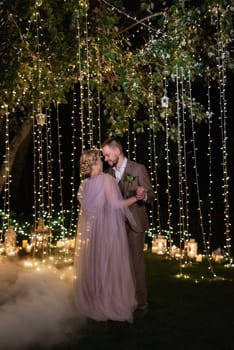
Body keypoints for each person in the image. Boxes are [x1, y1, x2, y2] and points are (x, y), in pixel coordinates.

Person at [73, 148, 139, 322]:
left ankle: (95, 301)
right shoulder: (106, 180)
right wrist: (135, 199)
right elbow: (117, 205)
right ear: (95, 162)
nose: (103, 161)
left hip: (93, 234)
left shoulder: (84, 185)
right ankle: (109, 302)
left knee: (95, 266)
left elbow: (87, 210)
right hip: (107, 232)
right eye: (100, 160)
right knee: (110, 266)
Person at [101, 137, 156, 319]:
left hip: (135, 223)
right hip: (115, 226)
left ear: (117, 151)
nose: (106, 159)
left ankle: (141, 304)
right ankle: (123, 300)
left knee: (135, 263)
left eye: (107, 155)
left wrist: (144, 195)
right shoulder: (108, 174)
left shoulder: (137, 168)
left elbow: (151, 194)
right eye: (104, 156)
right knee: (118, 264)